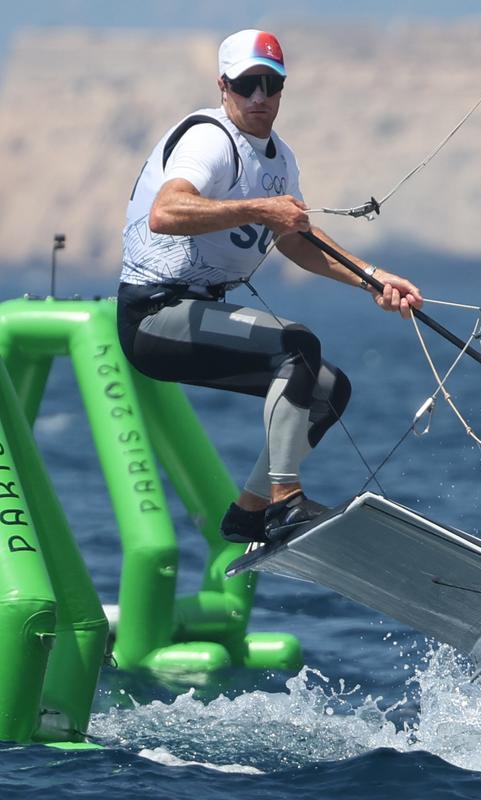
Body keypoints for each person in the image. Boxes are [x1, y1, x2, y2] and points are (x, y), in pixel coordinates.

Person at [117, 29, 423, 544]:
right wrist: (261, 208)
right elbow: (165, 213)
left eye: (271, 84)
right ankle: (286, 502)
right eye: (246, 84)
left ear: (282, 88)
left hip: (195, 311)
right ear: (223, 86)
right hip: (152, 318)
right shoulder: (209, 139)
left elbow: (297, 242)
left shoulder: (281, 160)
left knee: (328, 389)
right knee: (297, 347)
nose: (259, 97)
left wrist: (373, 278)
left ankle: (249, 511)